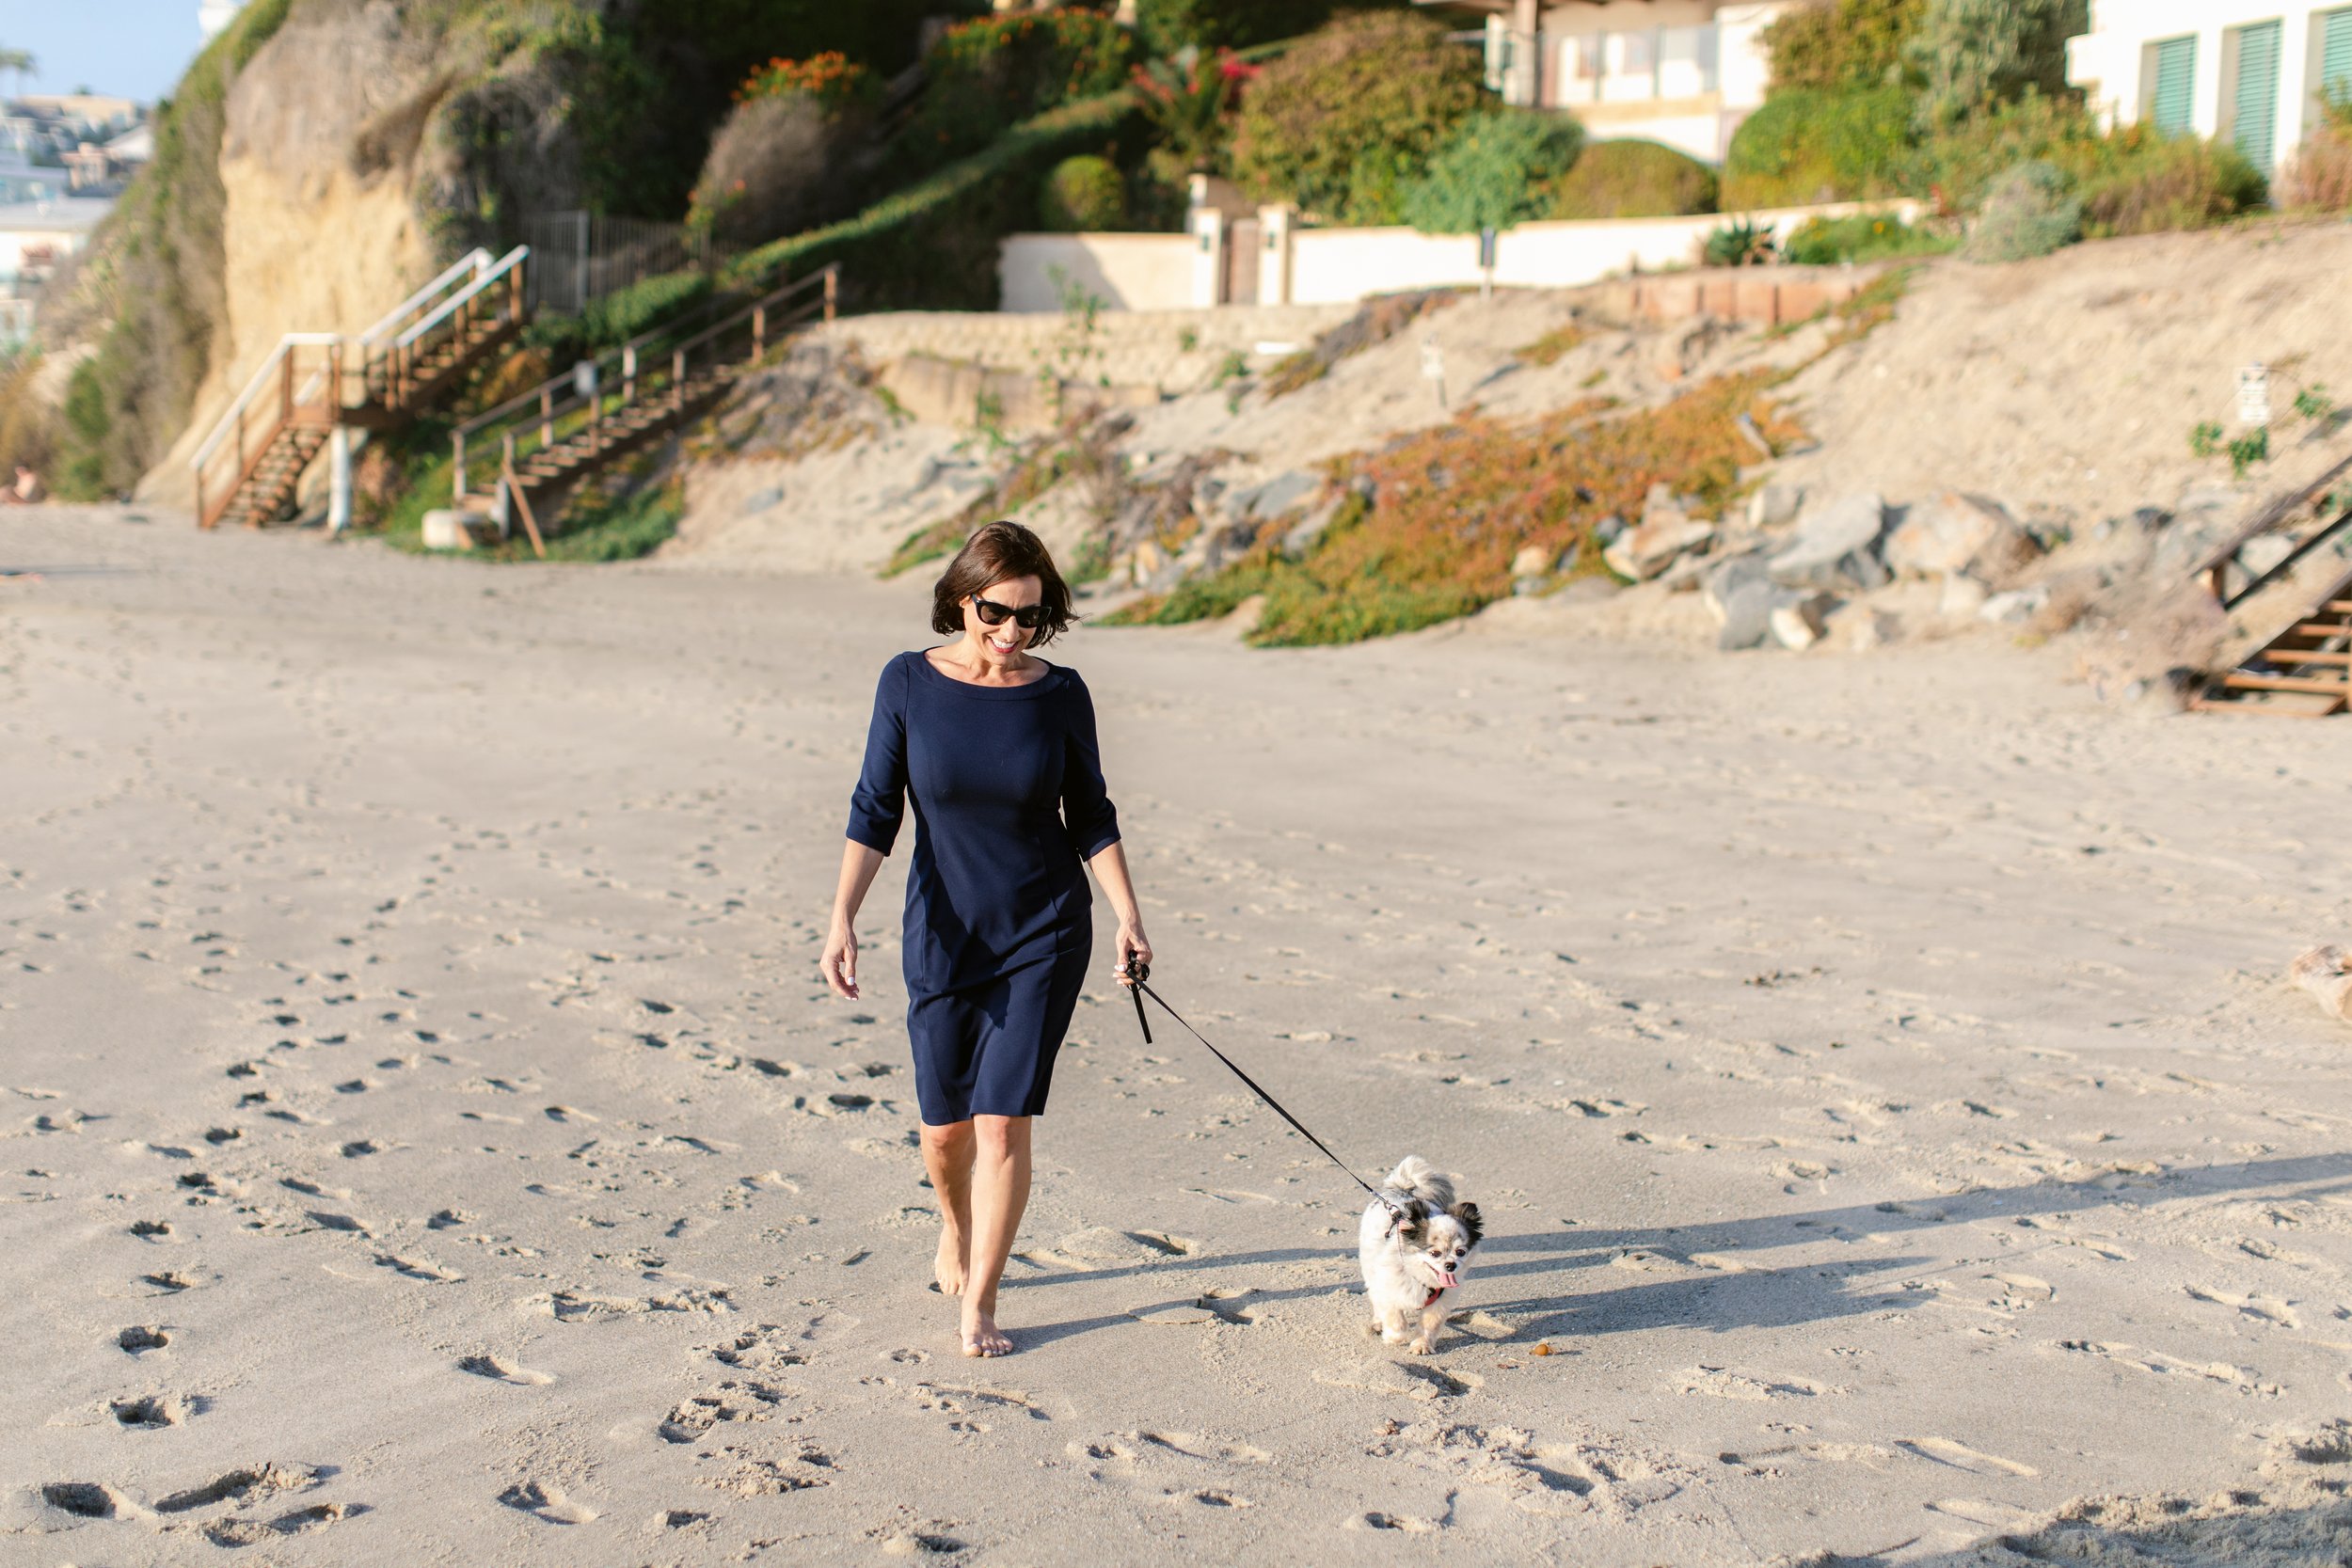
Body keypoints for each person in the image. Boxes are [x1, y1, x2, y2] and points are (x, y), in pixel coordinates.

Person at [823, 520, 1152, 1358]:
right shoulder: (907, 682)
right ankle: (955, 1224)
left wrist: (1127, 914)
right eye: (996, 612)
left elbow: (1092, 814)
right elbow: (876, 807)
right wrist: (843, 916)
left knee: (1002, 1122)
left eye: (1030, 617)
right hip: (945, 931)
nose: (1011, 632)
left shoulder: (1059, 693)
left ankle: (982, 1297)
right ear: (961, 599)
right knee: (945, 1131)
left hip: (1044, 928)